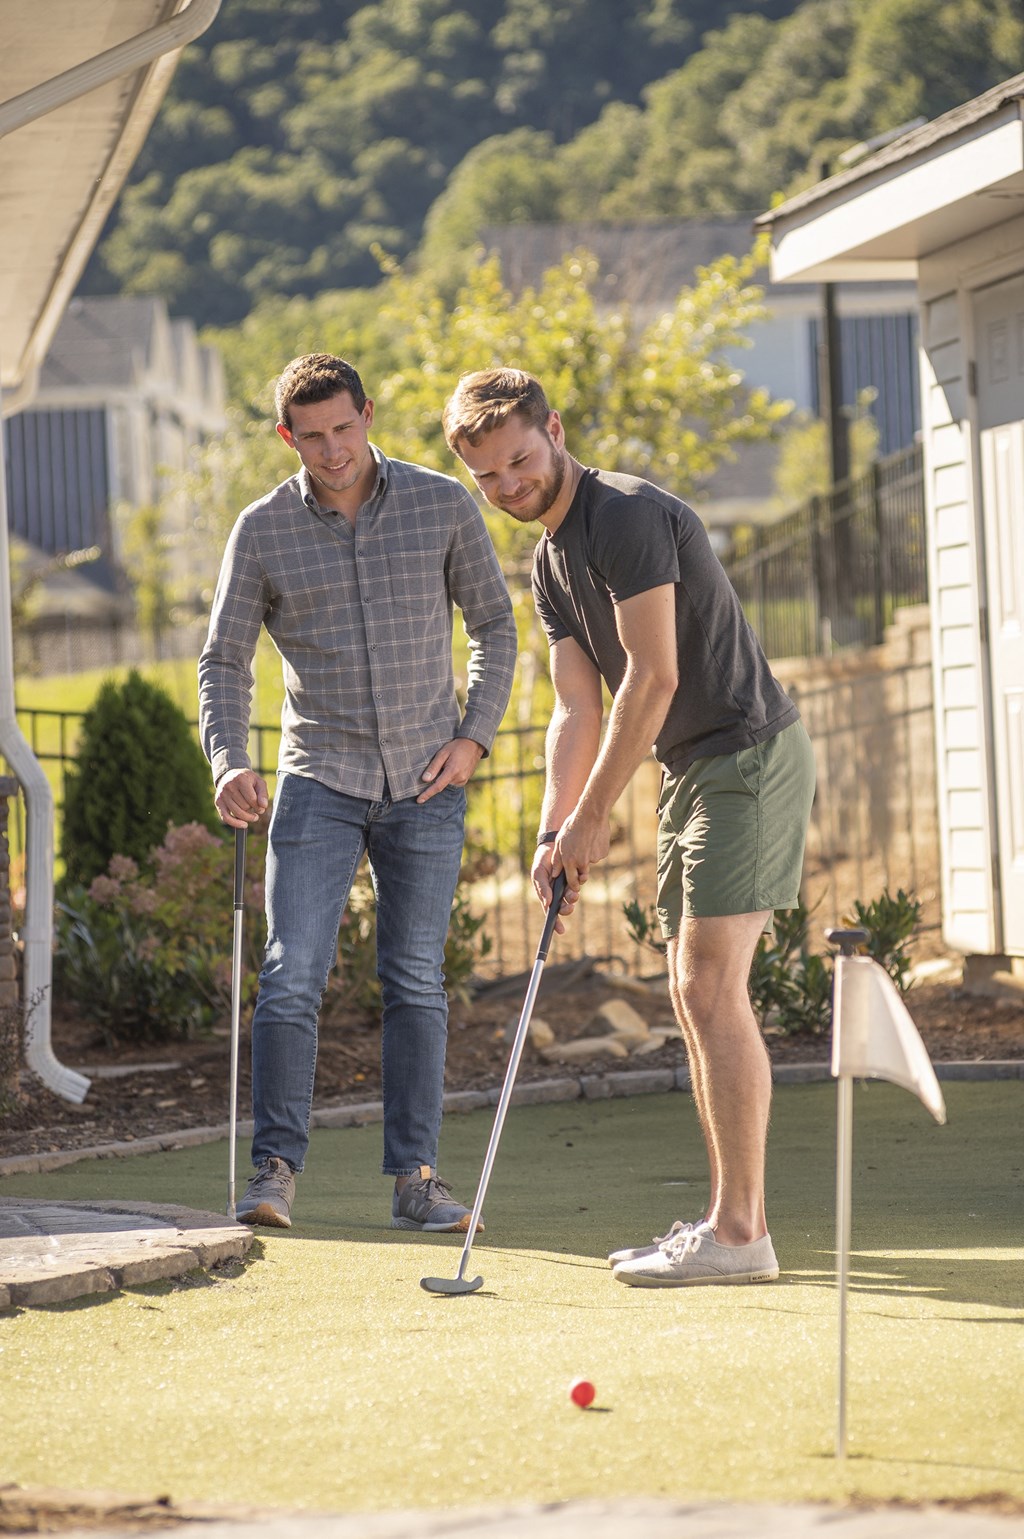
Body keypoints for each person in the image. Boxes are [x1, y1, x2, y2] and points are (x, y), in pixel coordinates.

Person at [442, 367, 816, 1287]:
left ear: (555, 429)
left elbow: (652, 677)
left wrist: (597, 815)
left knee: (705, 979)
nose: (508, 487)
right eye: (487, 477)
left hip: (748, 754)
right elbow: (575, 707)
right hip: (692, 768)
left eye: (519, 461)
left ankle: (740, 1235)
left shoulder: (625, 513)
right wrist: (551, 830)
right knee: (695, 992)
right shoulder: (548, 560)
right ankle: (737, 1225)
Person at [199, 353, 517, 1231]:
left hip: (428, 780)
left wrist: (474, 734)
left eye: (345, 428)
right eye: (313, 436)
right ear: (286, 436)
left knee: (415, 979)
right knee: (291, 974)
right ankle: (273, 1172)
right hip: (319, 778)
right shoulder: (261, 530)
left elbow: (494, 623)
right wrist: (228, 756)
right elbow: (223, 659)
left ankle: (418, 1179)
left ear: (368, 414)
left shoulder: (442, 503)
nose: (333, 450)